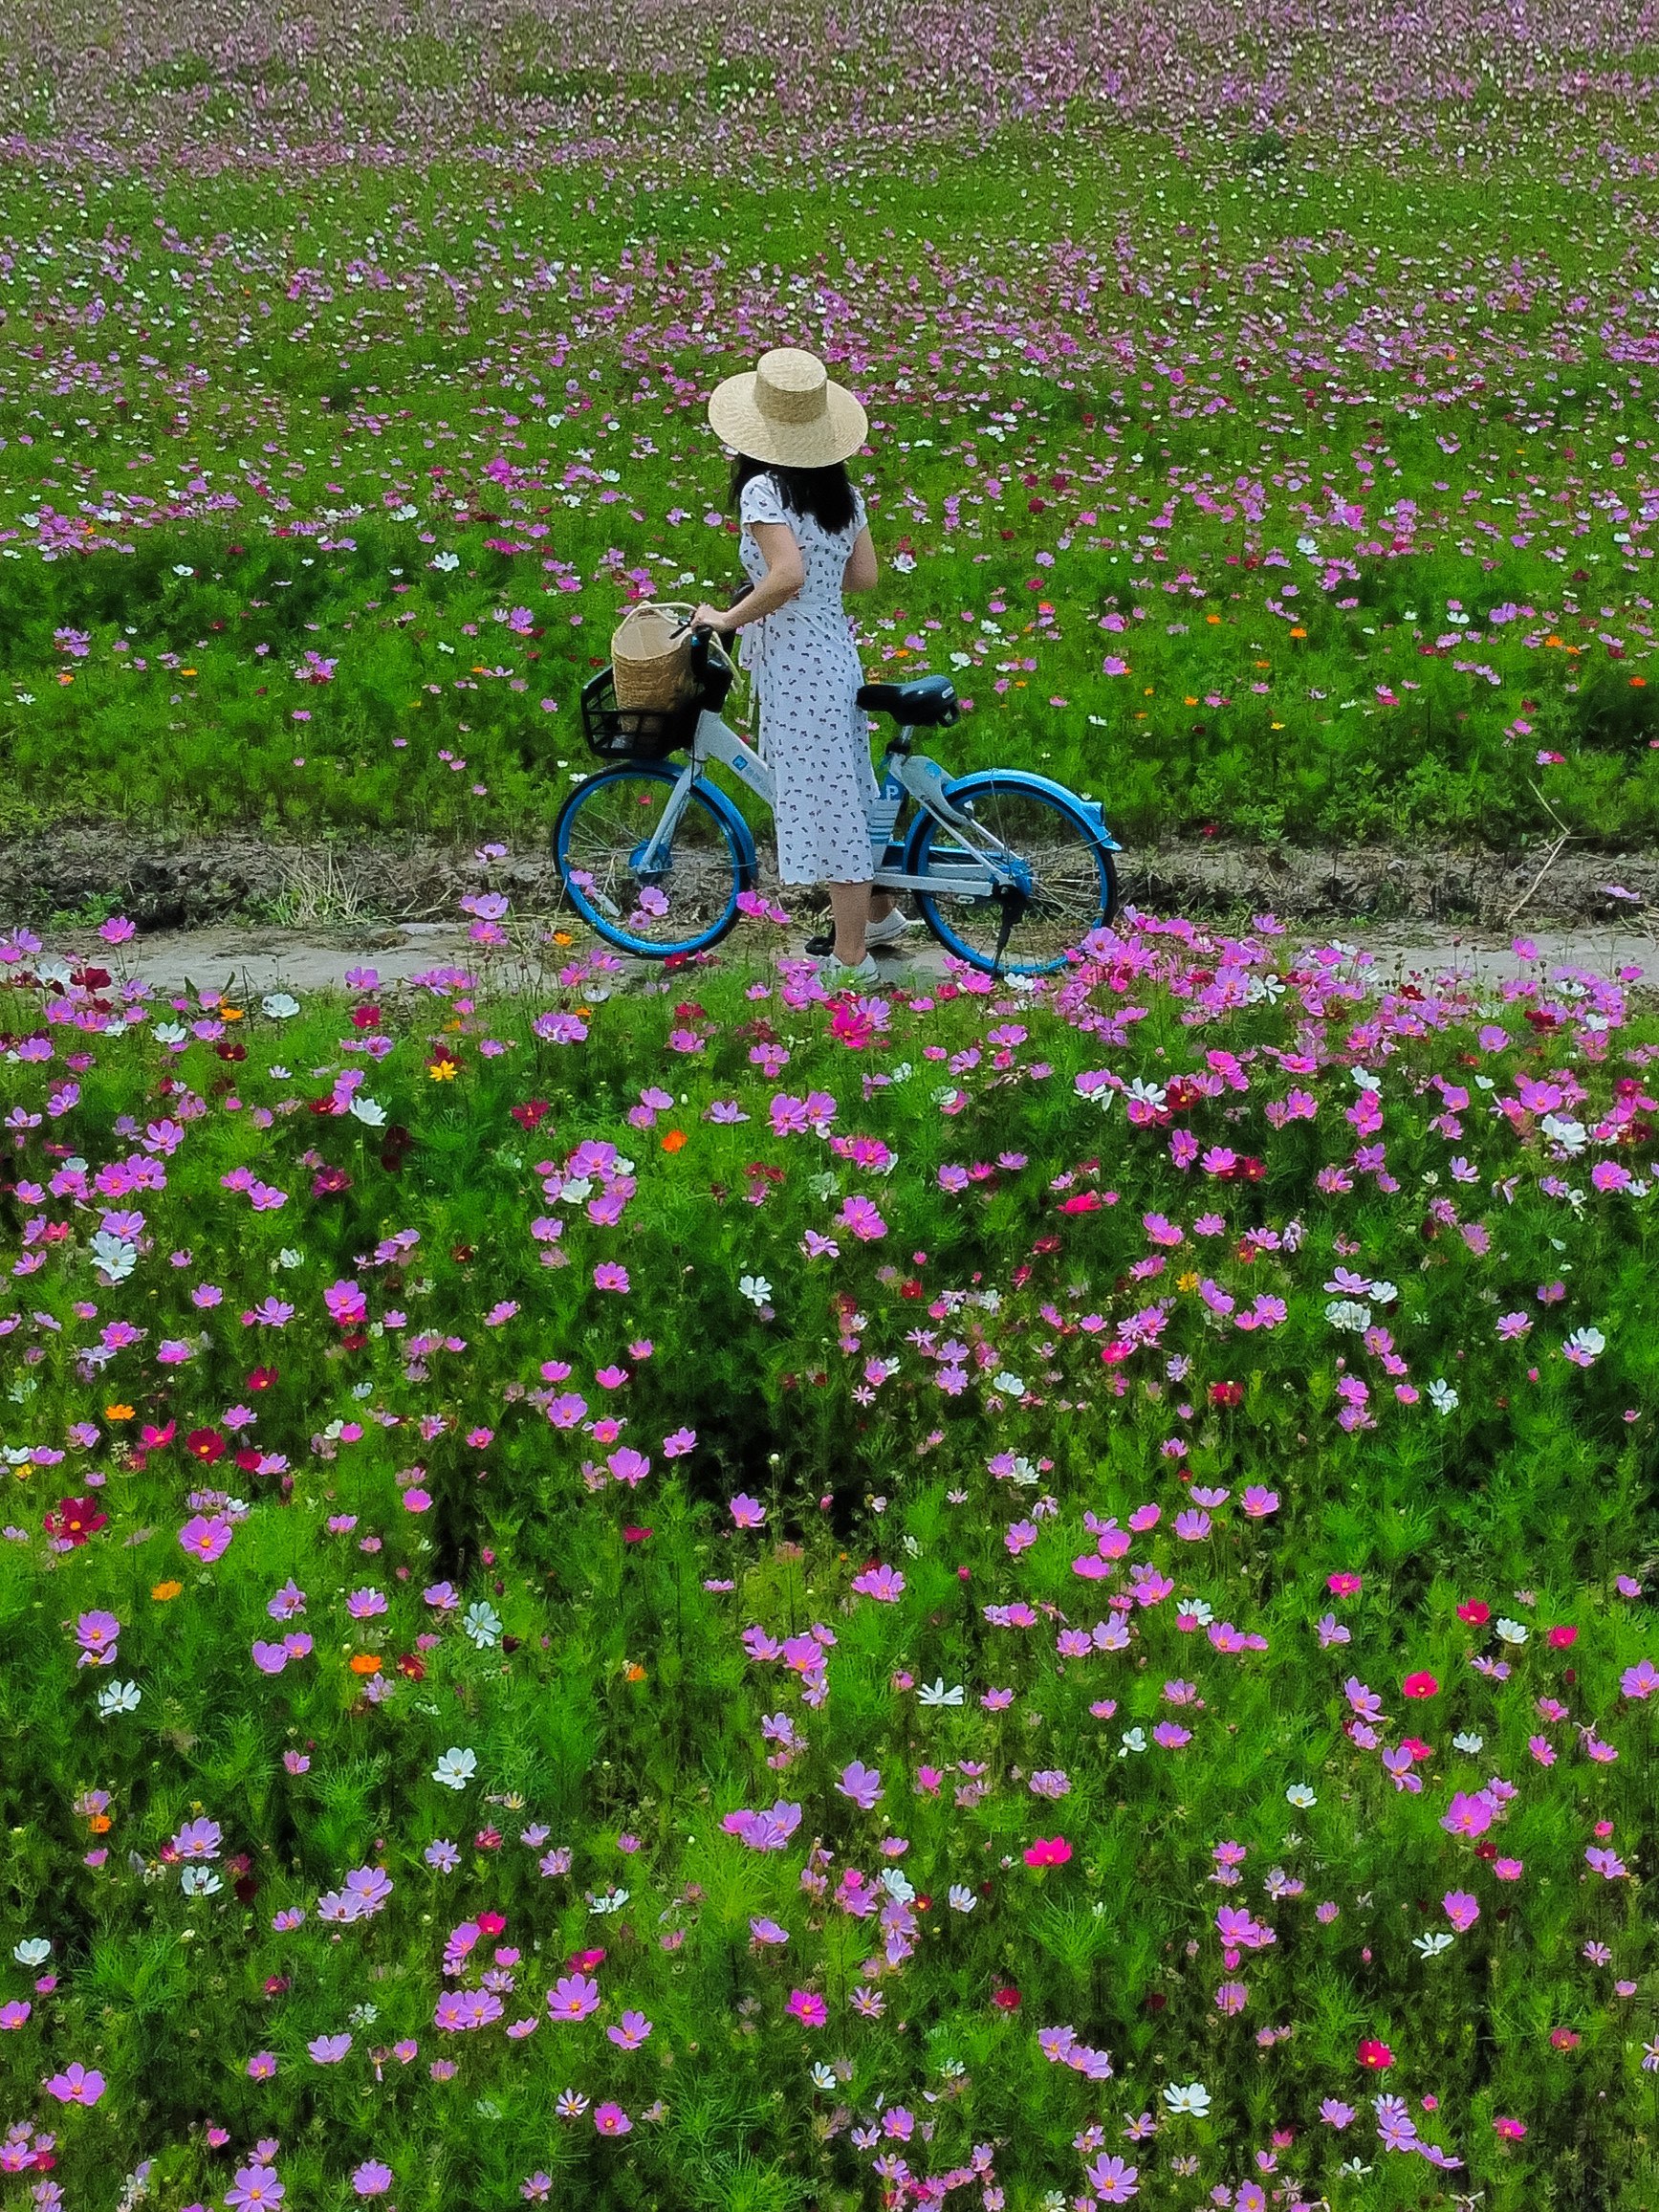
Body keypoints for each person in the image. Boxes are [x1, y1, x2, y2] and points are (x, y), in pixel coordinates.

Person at [692, 346, 912, 987]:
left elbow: (787, 573)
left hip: (796, 669)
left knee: (830, 806)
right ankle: (878, 915)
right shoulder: (841, 491)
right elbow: (863, 576)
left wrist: (729, 618)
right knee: (846, 789)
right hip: (833, 655)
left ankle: (850, 959)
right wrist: (779, 586)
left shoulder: (764, 489)